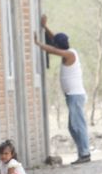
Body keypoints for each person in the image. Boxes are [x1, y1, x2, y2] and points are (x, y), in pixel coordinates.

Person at [34, 14, 91, 164]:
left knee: (78, 125)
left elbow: (53, 49)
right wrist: (45, 27)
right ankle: (82, 153)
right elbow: (55, 42)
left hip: (75, 96)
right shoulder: (68, 50)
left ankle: (85, 153)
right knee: (73, 127)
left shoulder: (70, 54)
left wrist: (38, 43)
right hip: (71, 96)